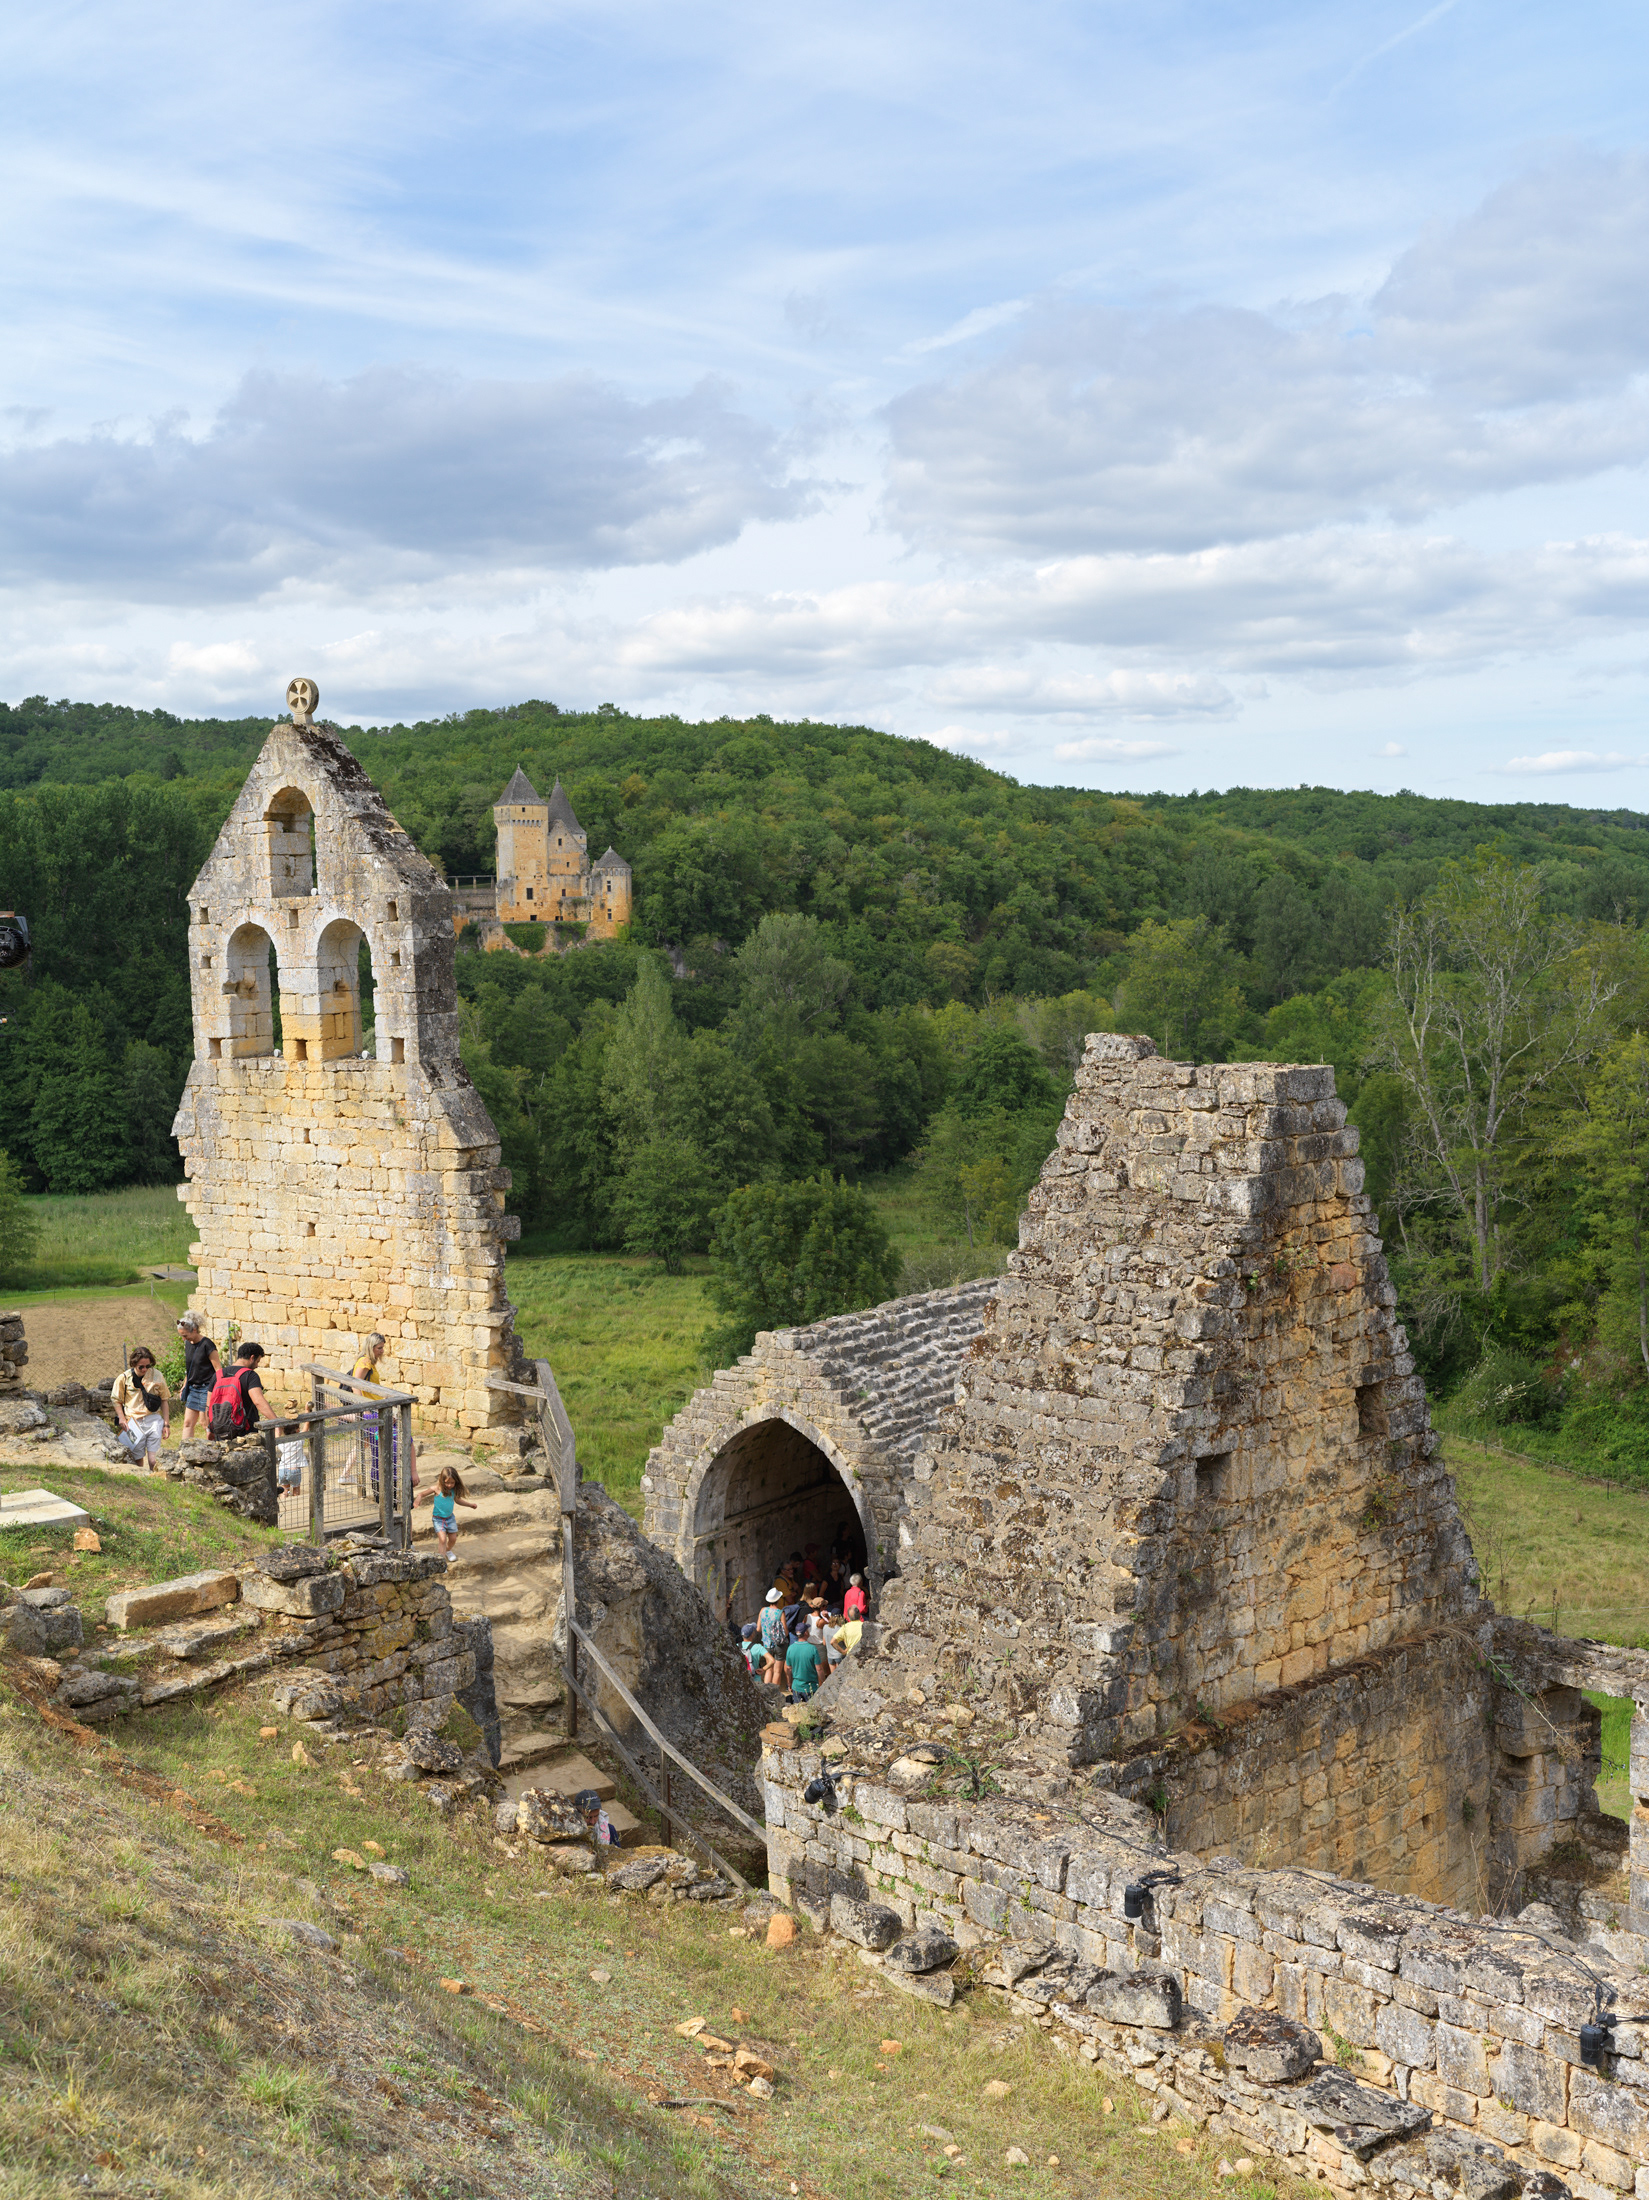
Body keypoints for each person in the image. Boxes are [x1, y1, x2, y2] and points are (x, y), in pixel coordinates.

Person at [112, 1347, 169, 1470]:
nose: (145, 1369)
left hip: (153, 1419)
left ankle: (156, 1483)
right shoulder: (123, 1378)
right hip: (133, 1423)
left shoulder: (157, 1375)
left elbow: (164, 1399)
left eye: (148, 1366)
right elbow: (116, 1399)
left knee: (153, 1461)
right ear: (134, 1364)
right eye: (141, 1367)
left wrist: (166, 1424)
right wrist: (122, 1418)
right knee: (137, 1461)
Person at [207, 1343, 271, 1438]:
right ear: (252, 1357)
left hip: (220, 1430)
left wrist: (209, 1428)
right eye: (257, 1361)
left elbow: (209, 1405)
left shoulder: (217, 1375)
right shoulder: (250, 1375)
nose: (257, 1365)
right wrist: (276, 1422)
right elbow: (258, 1402)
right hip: (245, 1430)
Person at [421, 1464, 476, 1564]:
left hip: (450, 1518)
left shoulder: (453, 1490)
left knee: (453, 1539)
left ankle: (447, 1551)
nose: (450, 1485)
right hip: (438, 1519)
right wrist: (418, 1499)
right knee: (442, 1539)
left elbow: (458, 1500)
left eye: (452, 1483)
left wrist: (470, 1505)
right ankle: (441, 1563)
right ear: (442, 1481)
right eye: (447, 1483)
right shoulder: (436, 1489)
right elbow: (422, 1494)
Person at [176, 1315, 220, 1438]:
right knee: (187, 1423)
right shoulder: (188, 1344)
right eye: (182, 1336)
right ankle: (185, 1452)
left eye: (185, 1335)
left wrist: (216, 1390)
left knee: (205, 1423)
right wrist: (185, 1385)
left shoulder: (207, 1344)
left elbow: (218, 1370)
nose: (184, 1339)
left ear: (194, 1330)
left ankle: (214, 1451)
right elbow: (189, 1367)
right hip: (193, 1388)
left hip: (207, 1388)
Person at [784, 1627, 827, 1703]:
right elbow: (819, 1669)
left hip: (796, 1687)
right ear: (806, 1633)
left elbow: (788, 1669)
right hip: (811, 1688)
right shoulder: (812, 1648)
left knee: (798, 1711)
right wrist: (824, 1682)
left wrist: (789, 1683)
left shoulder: (790, 1648)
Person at [757, 1587, 789, 1686]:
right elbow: (785, 1632)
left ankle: (767, 1692)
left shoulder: (763, 1610)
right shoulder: (780, 1613)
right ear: (778, 1599)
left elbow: (758, 1629)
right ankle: (775, 1693)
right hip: (779, 1645)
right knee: (777, 1671)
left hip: (766, 1644)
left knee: (768, 1669)